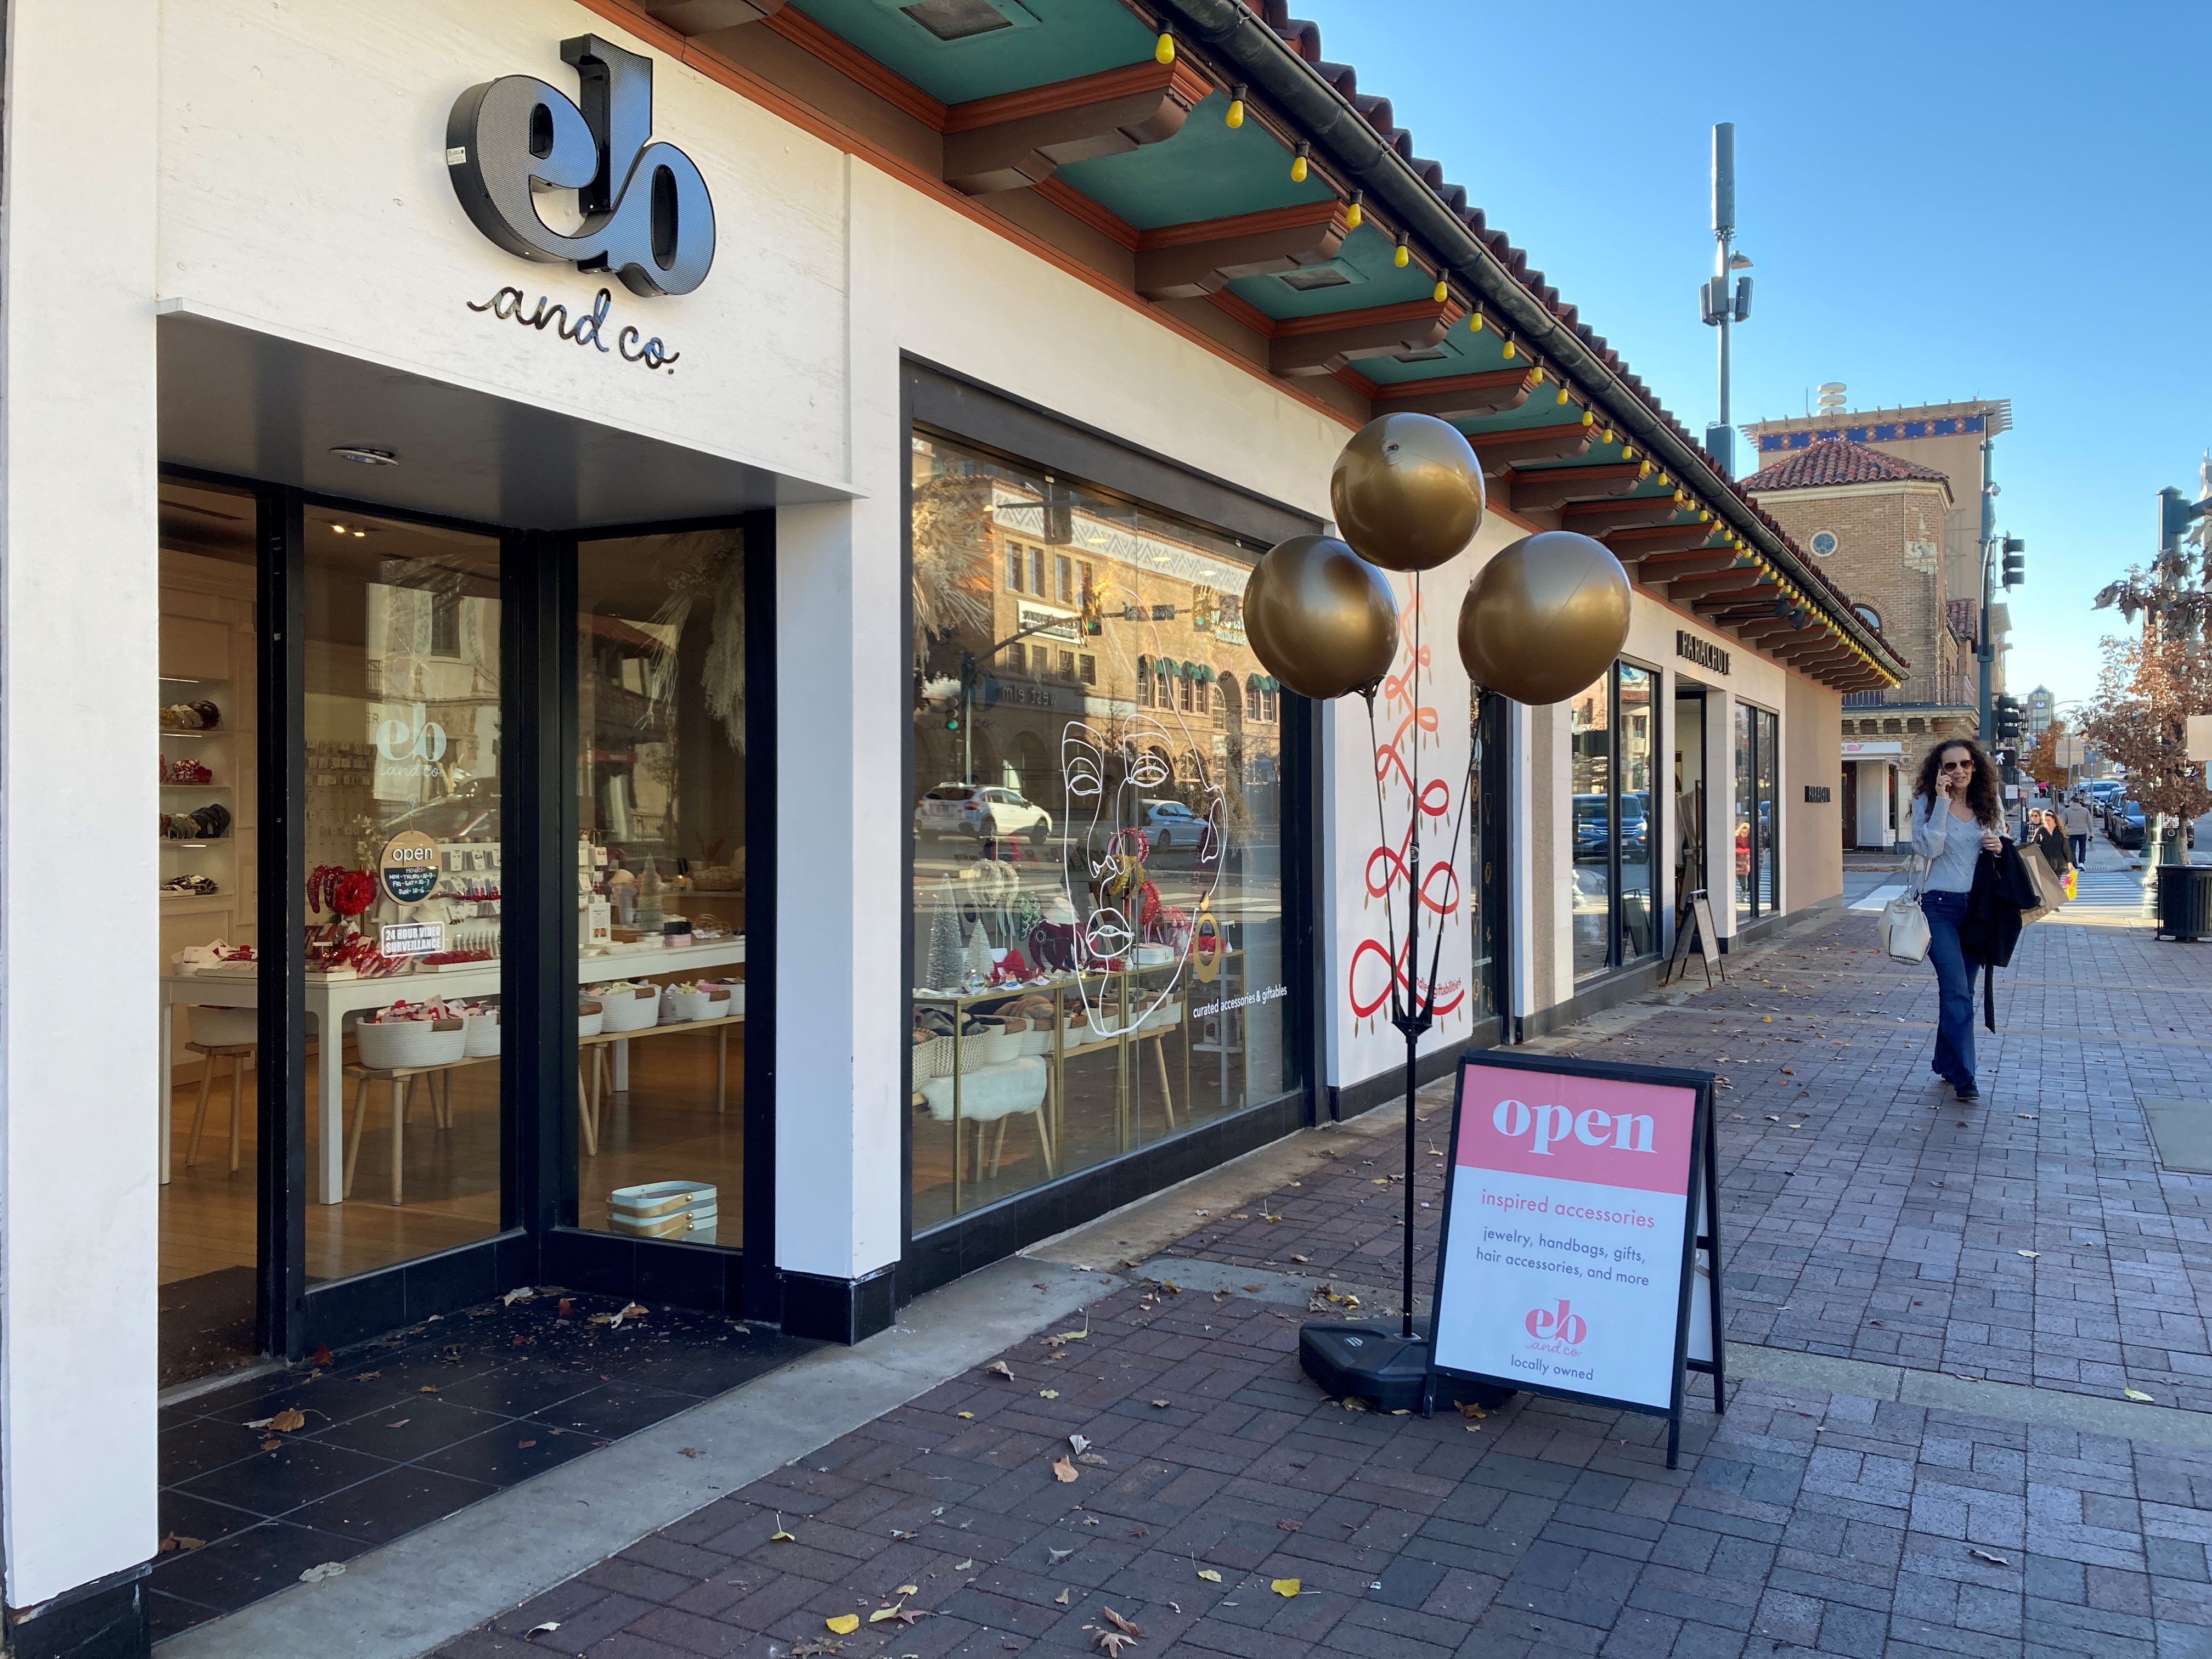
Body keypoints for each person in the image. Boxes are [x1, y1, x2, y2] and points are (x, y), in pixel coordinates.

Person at [1911, 738, 2005, 1103]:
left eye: (1965, 764)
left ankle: (1946, 1062)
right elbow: (1928, 848)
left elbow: (2002, 841)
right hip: (1938, 906)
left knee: (1960, 992)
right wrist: (1943, 804)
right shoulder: (1927, 803)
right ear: (1940, 771)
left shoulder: (1988, 802)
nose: (1959, 771)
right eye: (1950, 766)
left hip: (1977, 908)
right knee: (1955, 990)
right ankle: (1966, 1076)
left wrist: (1999, 843)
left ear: (1975, 766)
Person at [2061, 796, 2092, 866]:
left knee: (2072, 850)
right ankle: (2081, 863)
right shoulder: (2085, 810)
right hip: (2083, 832)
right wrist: (2091, 832)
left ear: (2072, 802)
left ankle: (2075, 865)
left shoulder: (2067, 811)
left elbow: (2063, 822)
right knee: (2083, 848)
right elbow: (2089, 822)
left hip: (2071, 833)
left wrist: (2063, 831)